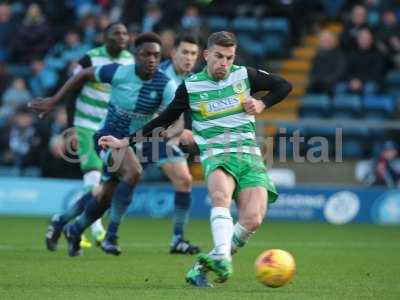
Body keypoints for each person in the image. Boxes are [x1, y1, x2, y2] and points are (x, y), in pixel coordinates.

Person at [98, 31, 292, 287]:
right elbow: (163, 120)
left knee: (252, 219)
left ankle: (202, 267)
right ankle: (223, 258)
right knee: (221, 197)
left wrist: (263, 104)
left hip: (249, 155)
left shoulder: (244, 75)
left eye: (229, 57)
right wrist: (125, 141)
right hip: (216, 154)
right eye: (219, 57)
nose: (224, 63)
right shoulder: (190, 87)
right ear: (207, 55)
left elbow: (283, 85)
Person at [30, 32, 197, 257]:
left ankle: (71, 226)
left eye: (155, 55)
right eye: (184, 52)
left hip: (146, 139)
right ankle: (111, 237)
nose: (151, 59)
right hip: (109, 138)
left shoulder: (171, 83)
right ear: (136, 55)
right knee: (132, 173)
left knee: (105, 194)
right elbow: (83, 75)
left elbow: (177, 121)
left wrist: (169, 133)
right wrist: (54, 100)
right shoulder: (121, 72)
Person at [29, 22, 134, 250]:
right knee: (93, 177)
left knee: (107, 184)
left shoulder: (130, 60)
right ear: (105, 37)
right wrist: (72, 127)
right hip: (86, 124)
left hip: (111, 127)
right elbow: (72, 89)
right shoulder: (90, 58)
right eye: (117, 33)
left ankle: (61, 220)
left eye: (125, 33)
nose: (122, 37)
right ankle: (96, 231)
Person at [159, 33, 201, 253]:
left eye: (193, 53)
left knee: (184, 180)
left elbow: (190, 110)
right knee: (111, 187)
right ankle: (72, 224)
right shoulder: (160, 76)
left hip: (163, 141)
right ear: (173, 52)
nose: (189, 57)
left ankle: (177, 239)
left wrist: (186, 130)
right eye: (184, 52)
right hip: (140, 137)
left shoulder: (192, 80)